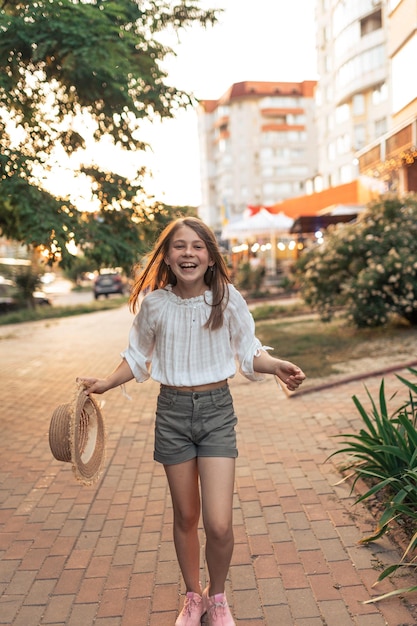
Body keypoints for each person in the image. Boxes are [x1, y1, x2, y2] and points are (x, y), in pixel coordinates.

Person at [79, 216, 305, 626]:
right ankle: (193, 597)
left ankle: (217, 597)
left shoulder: (226, 299)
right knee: (185, 517)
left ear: (210, 257)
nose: (188, 253)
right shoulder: (155, 304)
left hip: (217, 412)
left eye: (197, 246)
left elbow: (249, 350)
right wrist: (106, 383)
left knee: (218, 523)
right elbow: (136, 356)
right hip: (172, 415)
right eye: (179, 246)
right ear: (166, 256)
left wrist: (275, 366)